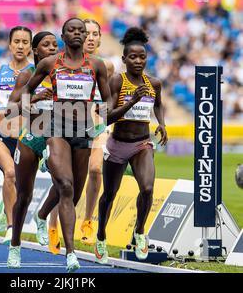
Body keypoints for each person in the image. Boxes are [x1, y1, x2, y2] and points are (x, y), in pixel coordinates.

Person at [16, 18, 112, 272]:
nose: (78, 34)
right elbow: (26, 90)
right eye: (73, 30)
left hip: (82, 132)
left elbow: (108, 100)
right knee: (66, 186)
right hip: (56, 129)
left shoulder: (97, 65)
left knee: (74, 192)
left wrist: (103, 115)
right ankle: (71, 254)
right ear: (64, 35)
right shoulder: (50, 63)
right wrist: (28, 104)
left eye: (82, 30)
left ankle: (41, 214)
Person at [95, 27, 168, 264]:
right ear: (124, 59)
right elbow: (107, 117)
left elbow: (158, 104)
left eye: (142, 57)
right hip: (117, 144)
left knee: (147, 188)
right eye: (133, 57)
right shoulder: (116, 81)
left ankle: (139, 232)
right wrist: (133, 100)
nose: (138, 61)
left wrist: (162, 124)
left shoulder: (154, 83)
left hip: (141, 144)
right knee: (109, 195)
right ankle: (101, 236)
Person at [45, 19, 115, 251]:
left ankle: (87, 220)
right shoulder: (61, 63)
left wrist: (106, 120)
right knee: (65, 182)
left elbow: (109, 98)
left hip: (97, 126)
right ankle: (53, 224)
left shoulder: (105, 65)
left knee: (96, 169)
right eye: (89, 33)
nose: (92, 38)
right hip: (68, 126)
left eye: (96, 34)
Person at [6, 31, 58, 268]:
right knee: (24, 196)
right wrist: (35, 100)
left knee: (67, 185)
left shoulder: (63, 75)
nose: (52, 48)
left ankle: (42, 215)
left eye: (55, 45)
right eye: (46, 45)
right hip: (30, 138)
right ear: (35, 50)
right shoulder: (27, 76)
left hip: (56, 138)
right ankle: (15, 246)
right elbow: (11, 110)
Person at [0, 26, 33, 245]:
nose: (20, 46)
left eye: (25, 42)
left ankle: (6, 212)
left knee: (18, 184)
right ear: (10, 44)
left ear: (31, 46)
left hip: (24, 138)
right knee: (10, 173)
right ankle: (11, 228)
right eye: (16, 41)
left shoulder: (36, 71)